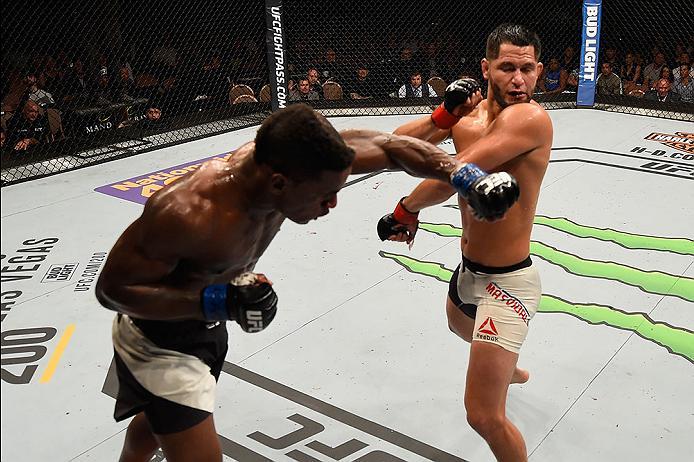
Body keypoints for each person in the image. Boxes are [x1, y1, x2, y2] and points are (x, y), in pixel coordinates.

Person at [95, 103, 519, 462]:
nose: (332, 204)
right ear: (278, 182)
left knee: (154, 423)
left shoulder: (302, 164)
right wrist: (219, 301)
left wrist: (466, 177)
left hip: (204, 327)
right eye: (323, 195)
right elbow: (113, 290)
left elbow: (391, 148)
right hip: (158, 341)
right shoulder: (191, 212)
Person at [378, 24, 553, 461]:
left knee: (482, 415)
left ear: (539, 71)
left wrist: (406, 209)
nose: (518, 79)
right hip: (469, 269)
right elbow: (397, 146)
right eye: (507, 67)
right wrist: (444, 115)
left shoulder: (529, 118)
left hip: (509, 283)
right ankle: (508, 367)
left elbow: (454, 173)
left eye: (527, 69)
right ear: (485, 68)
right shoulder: (469, 119)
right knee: (459, 326)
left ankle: (504, 366)